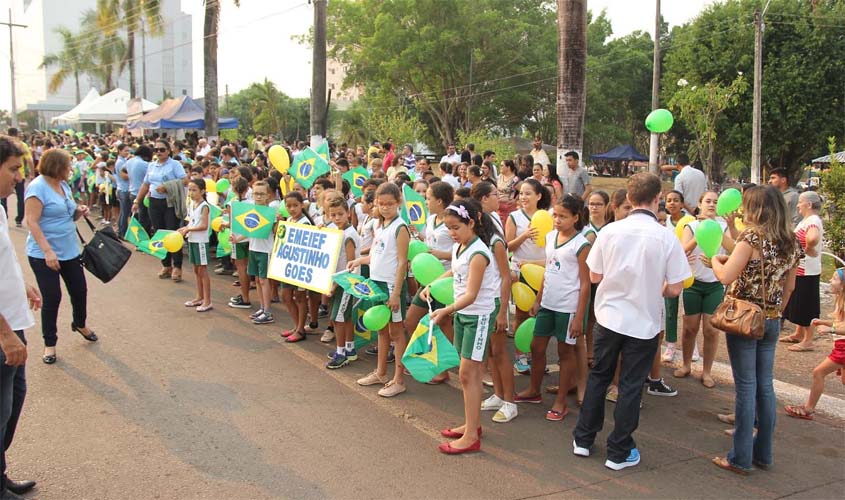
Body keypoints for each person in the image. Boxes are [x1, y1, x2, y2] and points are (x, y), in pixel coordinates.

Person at [572, 173, 690, 471]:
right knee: (630, 385)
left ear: (629, 197)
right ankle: (619, 450)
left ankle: (583, 439)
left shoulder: (610, 232)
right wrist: (654, 287)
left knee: (599, 376)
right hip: (643, 322)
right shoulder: (665, 236)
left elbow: (595, 276)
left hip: (609, 317)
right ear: (657, 199)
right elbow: (676, 287)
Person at [710, 185, 801, 475]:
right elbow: (790, 287)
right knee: (765, 385)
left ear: (756, 209)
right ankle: (764, 453)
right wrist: (774, 312)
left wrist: (714, 259)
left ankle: (740, 457)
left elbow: (726, 275)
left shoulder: (752, 237)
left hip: (745, 319)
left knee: (746, 388)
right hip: (772, 319)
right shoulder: (790, 242)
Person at [428, 199, 498, 454]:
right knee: (468, 374)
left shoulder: (479, 253)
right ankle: (472, 425)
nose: (451, 232)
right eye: (448, 227)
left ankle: (471, 435)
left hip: (477, 317)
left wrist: (445, 310)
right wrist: (432, 284)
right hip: (463, 315)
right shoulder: (462, 247)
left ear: (472, 223)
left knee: (469, 374)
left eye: (456, 227)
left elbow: (471, 294)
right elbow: (454, 273)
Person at [516, 195, 591, 422]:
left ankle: (560, 401)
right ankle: (534, 390)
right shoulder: (550, 237)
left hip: (568, 307)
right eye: (555, 215)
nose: (557, 220)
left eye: (563, 216)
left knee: (564, 353)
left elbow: (586, 283)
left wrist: (579, 317)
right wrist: (538, 299)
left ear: (576, 218)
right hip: (548, 303)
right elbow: (548, 271)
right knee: (536, 347)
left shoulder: (582, 244)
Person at [24, 148, 98, 366]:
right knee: (52, 298)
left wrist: (79, 211)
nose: (71, 170)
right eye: (68, 166)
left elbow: (67, 214)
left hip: (69, 251)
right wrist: (48, 251)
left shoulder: (63, 185)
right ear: (57, 167)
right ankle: (50, 343)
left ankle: (80, 323)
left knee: (79, 290)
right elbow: (32, 221)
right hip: (43, 254)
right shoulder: (37, 188)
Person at [0, 136, 39, 499]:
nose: (18, 177)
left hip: (14, 320)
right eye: (13, 169)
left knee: (14, 398)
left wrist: (22, 284)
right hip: (3, 330)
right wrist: (4, 334)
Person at [348, 183, 410, 397]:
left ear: (398, 203)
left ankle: (399, 379)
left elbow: (403, 262)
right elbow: (378, 254)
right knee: (382, 330)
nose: (385, 208)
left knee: (396, 333)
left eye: (390, 204)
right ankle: (381, 372)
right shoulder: (379, 225)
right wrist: (360, 260)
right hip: (376, 283)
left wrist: (395, 293)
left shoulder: (400, 228)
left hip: (391, 285)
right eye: (381, 204)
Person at [674, 192, 736, 388]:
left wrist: (715, 227)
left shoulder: (723, 226)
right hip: (693, 283)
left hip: (715, 284)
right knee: (690, 328)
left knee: (711, 330)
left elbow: (734, 249)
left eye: (715, 202)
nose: (711, 204)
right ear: (700, 204)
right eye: (707, 201)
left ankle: (707, 371)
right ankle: (685, 365)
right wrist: (702, 231)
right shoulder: (690, 225)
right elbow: (683, 250)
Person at [471, 181, 516, 423]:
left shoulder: (495, 242)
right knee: (490, 351)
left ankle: (510, 401)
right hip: (483, 303)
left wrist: (501, 314)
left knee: (500, 352)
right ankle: (498, 394)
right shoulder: (476, 241)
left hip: (496, 302)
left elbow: (506, 277)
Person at [784, 268, 845, 420]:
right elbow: (840, 323)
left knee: (818, 372)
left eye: (834, 278)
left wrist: (830, 329)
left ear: (843, 285)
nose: (830, 281)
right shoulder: (840, 301)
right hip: (840, 345)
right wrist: (823, 322)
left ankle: (808, 408)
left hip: (843, 347)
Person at [506, 179, 552, 374]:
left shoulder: (549, 216)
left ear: (539, 196)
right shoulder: (514, 217)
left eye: (528, 193)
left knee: (541, 315)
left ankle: (537, 356)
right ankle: (520, 355)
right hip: (521, 270)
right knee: (522, 313)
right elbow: (508, 246)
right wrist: (524, 235)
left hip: (543, 270)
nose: (523, 197)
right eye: (521, 193)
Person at [133, 140, 187, 282]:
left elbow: (185, 180)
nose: (158, 152)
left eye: (162, 150)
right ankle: (165, 265)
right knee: (159, 233)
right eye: (156, 150)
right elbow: (146, 184)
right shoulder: (151, 165)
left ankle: (177, 266)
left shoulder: (175, 165)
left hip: (170, 202)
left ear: (168, 151)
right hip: (154, 202)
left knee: (172, 232)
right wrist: (136, 201)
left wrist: (167, 186)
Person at [781, 191, 824, 351]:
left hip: (807, 270)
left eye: (800, 202)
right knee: (799, 303)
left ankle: (808, 339)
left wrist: (807, 248)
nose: (798, 205)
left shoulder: (812, 221)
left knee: (806, 305)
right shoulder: (807, 220)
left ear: (809, 204)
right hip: (801, 269)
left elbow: (812, 237)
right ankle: (799, 333)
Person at [325, 191, 361, 369]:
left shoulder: (349, 235)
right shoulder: (336, 230)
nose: (337, 218)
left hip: (346, 283)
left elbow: (350, 265)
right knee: (344, 317)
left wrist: (334, 285)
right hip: (338, 281)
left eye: (340, 214)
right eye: (333, 215)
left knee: (338, 318)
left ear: (348, 213)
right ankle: (350, 349)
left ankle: (340, 353)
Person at [280, 192, 314, 341]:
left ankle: (301, 329)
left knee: (300, 297)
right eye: (288, 206)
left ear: (302, 205)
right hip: (289, 265)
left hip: (301, 266)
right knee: (286, 296)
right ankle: (296, 326)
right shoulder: (289, 220)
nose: (292, 209)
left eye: (295, 205)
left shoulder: (305, 223)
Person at [661, 190, 688, 362]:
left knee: (689, 312)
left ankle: (691, 348)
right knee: (670, 309)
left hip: (687, 270)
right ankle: (671, 345)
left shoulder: (690, 221)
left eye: (676, 200)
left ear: (682, 204)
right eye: (669, 200)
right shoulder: (663, 221)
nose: (672, 203)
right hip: (666, 269)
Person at [179, 178, 212, 312]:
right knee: (196, 270)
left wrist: (189, 229)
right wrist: (185, 229)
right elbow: (192, 222)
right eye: (190, 190)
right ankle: (199, 297)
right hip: (192, 240)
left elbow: (204, 226)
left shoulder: (205, 206)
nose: (191, 193)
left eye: (194, 190)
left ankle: (208, 301)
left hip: (201, 242)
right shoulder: (192, 205)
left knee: (203, 271)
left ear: (202, 191)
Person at [0, 128, 33, 228]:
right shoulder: (24, 145)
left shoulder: (0, 212)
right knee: (20, 198)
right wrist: (32, 174)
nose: (18, 178)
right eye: (13, 169)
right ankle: (19, 218)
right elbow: (30, 160)